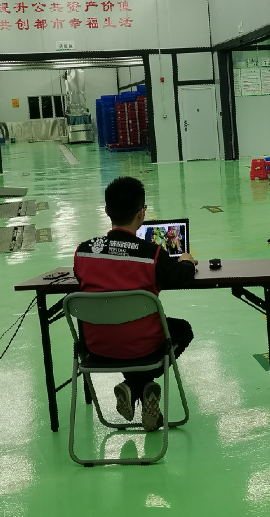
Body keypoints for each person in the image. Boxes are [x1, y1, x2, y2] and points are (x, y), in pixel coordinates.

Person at [73, 177, 197, 431]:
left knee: (119, 330)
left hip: (95, 348)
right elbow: (181, 277)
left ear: (107, 210)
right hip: (142, 346)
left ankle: (134, 387)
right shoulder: (152, 254)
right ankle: (137, 384)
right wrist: (187, 261)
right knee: (182, 329)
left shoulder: (83, 252)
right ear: (141, 214)